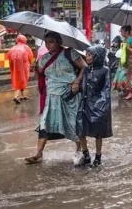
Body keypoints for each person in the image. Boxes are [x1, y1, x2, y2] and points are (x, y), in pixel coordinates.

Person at [24, 32, 87, 164]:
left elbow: (85, 68)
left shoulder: (70, 53)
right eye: (46, 42)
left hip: (70, 95)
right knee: (45, 124)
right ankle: (38, 153)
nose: (48, 45)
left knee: (73, 123)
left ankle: (79, 150)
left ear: (59, 42)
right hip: (52, 96)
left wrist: (77, 82)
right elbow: (39, 75)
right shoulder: (43, 58)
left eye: (51, 41)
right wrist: (35, 69)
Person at [75, 45, 113, 167]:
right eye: (86, 54)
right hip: (85, 102)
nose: (86, 57)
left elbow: (106, 88)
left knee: (98, 132)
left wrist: (102, 103)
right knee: (80, 128)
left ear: (97, 56)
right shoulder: (86, 70)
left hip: (99, 105)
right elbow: (84, 86)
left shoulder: (105, 70)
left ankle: (98, 156)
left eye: (89, 55)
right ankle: (86, 154)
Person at [113, 25, 132, 100]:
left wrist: (127, 47)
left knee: (129, 76)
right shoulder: (124, 39)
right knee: (121, 76)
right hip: (123, 60)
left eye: (122, 31)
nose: (121, 32)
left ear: (127, 32)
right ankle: (126, 91)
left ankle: (131, 92)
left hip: (129, 61)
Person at [7, 34, 34, 104]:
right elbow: (31, 56)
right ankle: (16, 96)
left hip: (14, 68)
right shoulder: (26, 47)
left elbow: (8, 56)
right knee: (22, 80)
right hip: (24, 67)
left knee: (17, 79)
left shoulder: (13, 48)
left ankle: (23, 95)